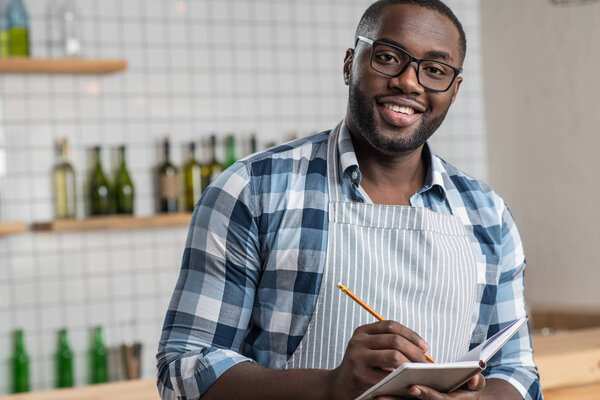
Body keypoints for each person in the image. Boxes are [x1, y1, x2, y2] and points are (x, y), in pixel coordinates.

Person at [156, 0, 543, 399]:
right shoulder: (252, 190)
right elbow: (184, 368)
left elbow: (517, 372)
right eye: (389, 57)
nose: (409, 82)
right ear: (349, 64)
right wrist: (331, 387)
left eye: (435, 70)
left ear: (453, 91)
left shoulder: (488, 214)